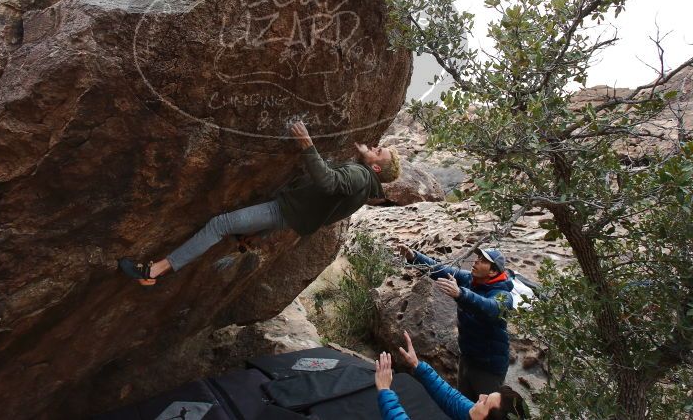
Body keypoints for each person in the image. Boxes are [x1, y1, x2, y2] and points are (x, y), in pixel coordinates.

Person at [119, 121, 400, 285]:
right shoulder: (365, 187)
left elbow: (328, 182)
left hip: (281, 210)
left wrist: (307, 144)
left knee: (220, 224)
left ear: (377, 168)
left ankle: (154, 271)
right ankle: (248, 238)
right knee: (235, 228)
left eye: (379, 152)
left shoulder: (360, 176)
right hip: (290, 214)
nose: (374, 148)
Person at [398, 244, 514, 400]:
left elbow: (490, 308)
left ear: (493, 271)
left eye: (482, 260)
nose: (475, 262)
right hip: (467, 358)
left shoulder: (503, 295)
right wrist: (414, 257)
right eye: (477, 258)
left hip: (489, 368)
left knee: (486, 412)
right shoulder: (469, 279)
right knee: (463, 404)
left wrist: (461, 294)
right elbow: (441, 270)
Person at [374, 331, 528, 420]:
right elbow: (451, 399)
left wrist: (385, 391)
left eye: (485, 402)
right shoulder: (476, 415)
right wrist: (418, 366)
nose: (480, 396)